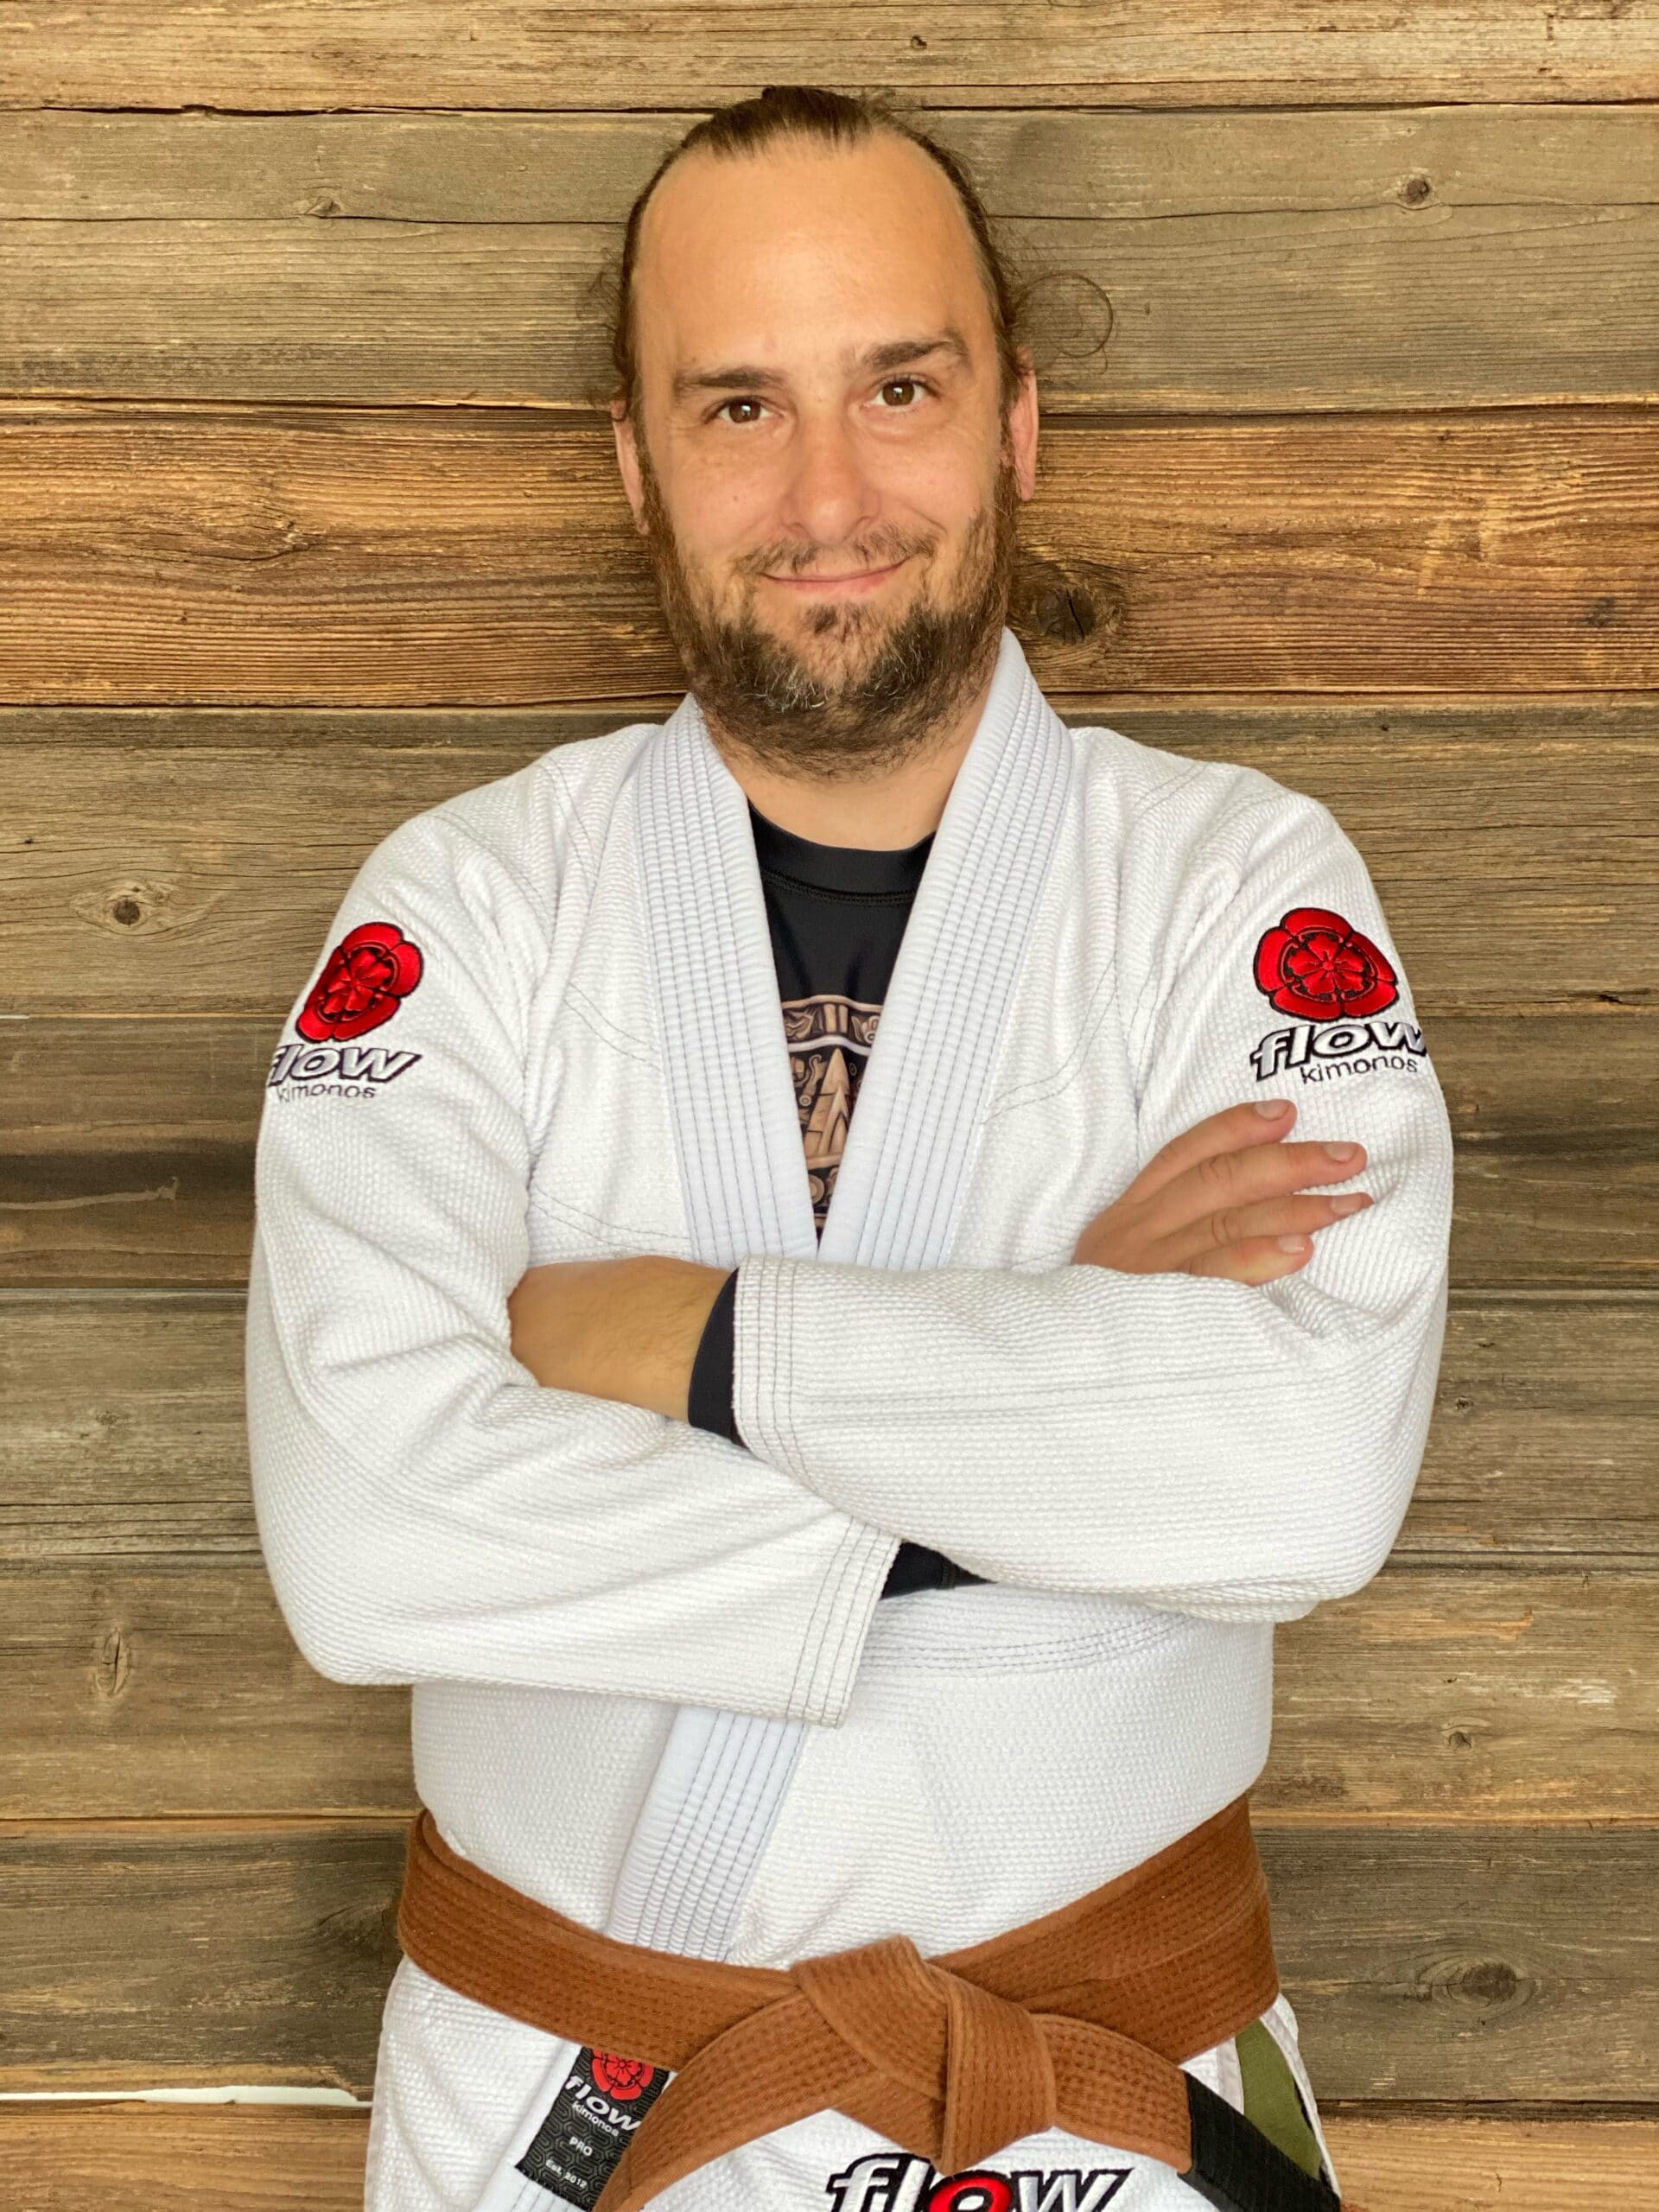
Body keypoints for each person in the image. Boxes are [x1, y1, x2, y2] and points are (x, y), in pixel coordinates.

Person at [245, 84, 1452, 2212]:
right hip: (564, 2087)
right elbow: (363, 1535)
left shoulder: (1230, 886)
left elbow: (1301, 1476)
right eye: (736, 406)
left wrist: (688, 1338)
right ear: (634, 459)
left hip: (1098, 2077)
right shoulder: (462, 909)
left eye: (899, 383)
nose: (828, 490)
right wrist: (1073, 1393)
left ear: (1015, 421)